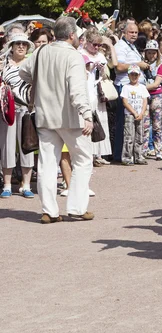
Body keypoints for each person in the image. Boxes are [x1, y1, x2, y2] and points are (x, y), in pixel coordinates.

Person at [19, 16, 94, 224]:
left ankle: (49, 211)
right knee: (83, 160)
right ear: (71, 35)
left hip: (45, 116)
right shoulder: (74, 56)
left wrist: (40, 80)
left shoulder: (42, 51)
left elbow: (23, 72)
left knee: (47, 164)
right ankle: (77, 208)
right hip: (70, 117)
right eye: (77, 34)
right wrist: (87, 114)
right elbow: (77, 91)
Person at [0, 33, 35, 199]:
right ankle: (7, 184)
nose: (21, 46)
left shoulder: (31, 63)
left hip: (27, 109)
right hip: (8, 110)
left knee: (26, 146)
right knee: (7, 145)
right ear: (12, 46)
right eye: (17, 43)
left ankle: (26, 185)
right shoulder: (3, 63)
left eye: (24, 44)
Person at [113, 22, 148, 162]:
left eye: (135, 32)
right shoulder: (120, 46)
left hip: (137, 89)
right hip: (125, 86)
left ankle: (134, 154)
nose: (134, 35)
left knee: (136, 125)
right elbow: (118, 66)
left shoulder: (132, 46)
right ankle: (120, 155)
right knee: (124, 124)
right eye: (131, 32)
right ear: (124, 32)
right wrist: (138, 65)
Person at [80, 28, 112, 165]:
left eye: (99, 45)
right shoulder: (80, 53)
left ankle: (97, 154)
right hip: (84, 88)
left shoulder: (100, 55)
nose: (97, 47)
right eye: (94, 44)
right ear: (87, 42)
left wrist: (101, 69)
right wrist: (89, 67)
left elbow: (105, 76)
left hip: (96, 91)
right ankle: (87, 154)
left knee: (99, 121)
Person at [142, 40, 162, 160]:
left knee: (157, 125)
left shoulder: (161, 66)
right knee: (145, 124)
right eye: (149, 53)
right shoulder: (142, 65)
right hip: (144, 96)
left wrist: (139, 88)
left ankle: (158, 149)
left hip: (156, 95)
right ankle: (144, 150)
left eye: (154, 53)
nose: (151, 55)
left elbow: (155, 84)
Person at [121, 65, 149, 165]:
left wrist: (141, 113)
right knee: (129, 136)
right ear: (128, 75)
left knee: (140, 136)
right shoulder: (126, 87)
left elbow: (145, 101)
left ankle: (139, 156)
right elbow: (125, 102)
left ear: (139, 75)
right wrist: (134, 112)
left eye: (136, 74)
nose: (134, 76)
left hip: (140, 115)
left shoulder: (142, 87)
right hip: (130, 115)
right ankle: (127, 157)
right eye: (132, 74)